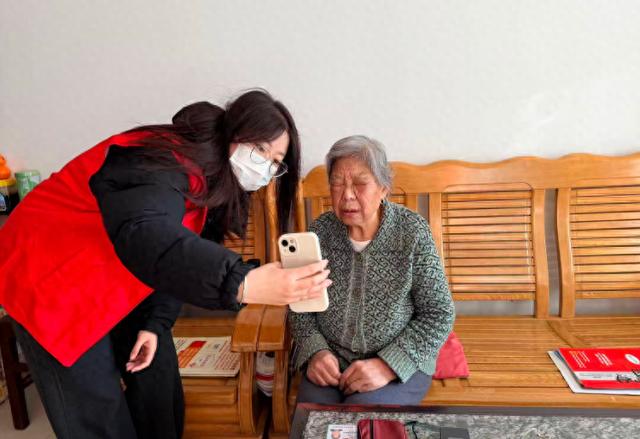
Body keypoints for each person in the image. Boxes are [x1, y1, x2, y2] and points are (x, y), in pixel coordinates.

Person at [0, 89, 332, 439]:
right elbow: (147, 234)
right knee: (98, 413)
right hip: (46, 274)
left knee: (158, 386)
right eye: (261, 149)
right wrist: (243, 282)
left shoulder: (215, 183)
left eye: (276, 162)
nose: (266, 166)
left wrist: (155, 323)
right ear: (232, 133)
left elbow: (181, 256)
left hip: (121, 268)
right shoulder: (160, 160)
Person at [290, 135, 455, 405]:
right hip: (331, 361)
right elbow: (299, 306)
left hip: (399, 362)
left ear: (383, 188)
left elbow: (439, 313)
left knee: (364, 419)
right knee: (313, 419)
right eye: (337, 183)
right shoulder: (319, 232)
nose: (347, 195)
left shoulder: (412, 233)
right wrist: (315, 351)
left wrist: (388, 365)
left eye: (360, 183)